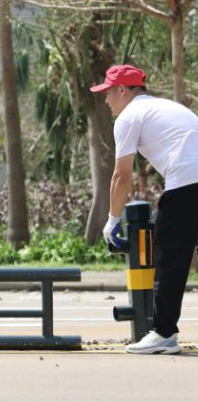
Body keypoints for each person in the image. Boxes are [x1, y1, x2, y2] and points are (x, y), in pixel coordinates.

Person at [92, 64, 198, 355]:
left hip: (188, 183)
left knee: (169, 259)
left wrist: (112, 220)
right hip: (191, 178)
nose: (106, 100)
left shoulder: (129, 116)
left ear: (123, 90)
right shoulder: (165, 107)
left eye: (108, 93)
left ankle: (163, 333)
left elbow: (121, 175)